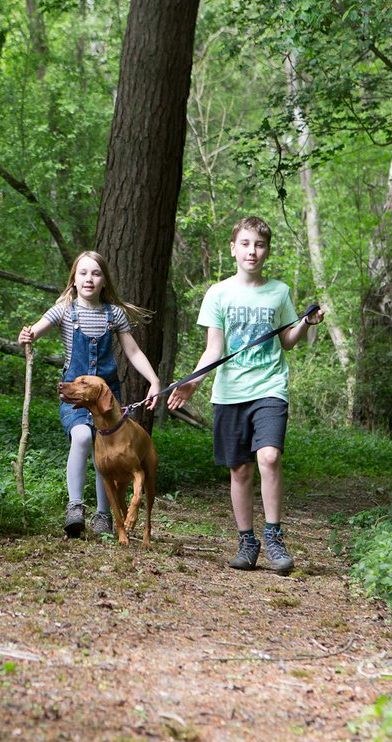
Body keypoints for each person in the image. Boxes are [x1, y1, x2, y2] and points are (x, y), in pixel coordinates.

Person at [167, 216, 324, 573]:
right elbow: (214, 349)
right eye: (246, 244)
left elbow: (286, 341)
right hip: (230, 392)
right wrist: (193, 382)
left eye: (260, 245)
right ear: (233, 249)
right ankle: (247, 541)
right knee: (239, 469)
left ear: (267, 251)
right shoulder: (218, 293)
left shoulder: (279, 292)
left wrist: (304, 322)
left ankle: (274, 537)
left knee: (269, 457)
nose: (252, 251)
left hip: (269, 387)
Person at [19, 251, 162, 538]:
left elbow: (133, 351)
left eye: (96, 273)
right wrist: (27, 335)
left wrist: (154, 380)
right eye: (83, 273)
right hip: (74, 396)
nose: (89, 279)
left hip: (106, 400)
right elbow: (35, 330)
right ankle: (75, 506)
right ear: (73, 279)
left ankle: (104, 514)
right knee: (83, 436)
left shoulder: (114, 314)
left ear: (104, 281)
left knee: (106, 450)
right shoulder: (64, 310)